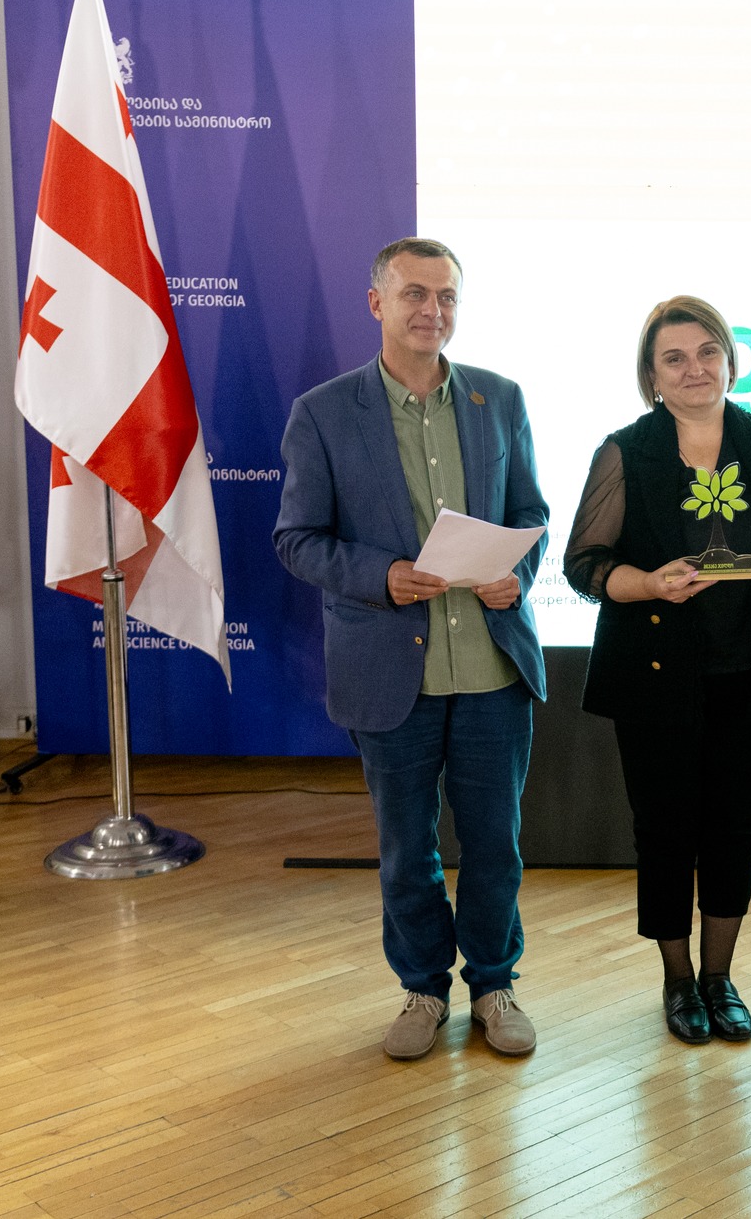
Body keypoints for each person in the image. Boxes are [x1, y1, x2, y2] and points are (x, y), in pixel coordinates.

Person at [274, 237, 548, 1062]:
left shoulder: (499, 399)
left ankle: (494, 984)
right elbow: (296, 539)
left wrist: (517, 575)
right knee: (407, 850)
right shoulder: (323, 413)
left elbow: (531, 514)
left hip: (492, 666)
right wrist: (383, 575)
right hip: (392, 673)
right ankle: (423, 988)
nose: (433, 310)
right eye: (415, 294)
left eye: (447, 296)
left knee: (495, 844)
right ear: (377, 303)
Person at [564, 296, 751, 1045]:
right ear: (651, 375)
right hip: (656, 677)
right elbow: (584, 564)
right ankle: (677, 980)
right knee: (666, 831)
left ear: (730, 361)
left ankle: (719, 977)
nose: (694, 369)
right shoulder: (625, 451)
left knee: (737, 829)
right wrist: (649, 583)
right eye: (673, 358)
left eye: (708, 352)